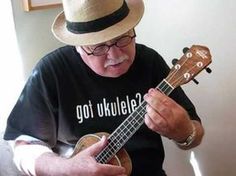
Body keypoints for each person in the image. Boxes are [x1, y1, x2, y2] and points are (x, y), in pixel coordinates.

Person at [4, 0, 204, 175]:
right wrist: (66, 169)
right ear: (78, 45)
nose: (116, 56)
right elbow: (23, 146)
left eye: (122, 38)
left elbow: (196, 133)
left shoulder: (150, 62)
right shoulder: (52, 72)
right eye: (98, 47)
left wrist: (185, 131)